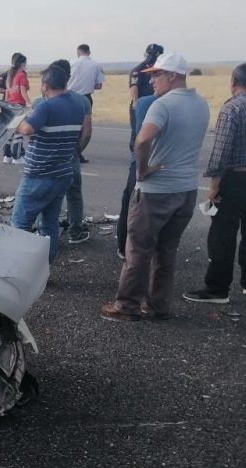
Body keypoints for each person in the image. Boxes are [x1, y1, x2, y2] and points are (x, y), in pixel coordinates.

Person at [100, 53, 210, 321]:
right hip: (186, 189)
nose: (151, 80)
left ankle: (126, 306)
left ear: (173, 75)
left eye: (157, 74)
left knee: (138, 248)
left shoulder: (162, 106)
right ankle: (158, 305)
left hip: (156, 191)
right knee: (167, 250)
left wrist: (142, 169)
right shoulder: (201, 103)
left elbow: (142, 140)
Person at [183, 63, 246, 304]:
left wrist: (214, 186)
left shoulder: (232, 109)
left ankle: (217, 288)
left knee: (222, 235)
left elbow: (220, 154)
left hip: (235, 179)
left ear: (233, 82)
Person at [9, 64, 85, 263]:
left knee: (19, 223)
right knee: (50, 223)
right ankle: (44, 267)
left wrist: (14, 122)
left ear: (45, 85)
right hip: (62, 173)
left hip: (39, 175)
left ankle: (19, 268)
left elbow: (26, 129)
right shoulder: (78, 104)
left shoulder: (46, 106)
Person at [34, 59, 94, 245]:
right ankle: (75, 231)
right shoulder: (82, 100)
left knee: (42, 195)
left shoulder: (40, 101)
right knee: (74, 194)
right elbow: (86, 132)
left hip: (45, 159)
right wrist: (74, 151)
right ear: (68, 77)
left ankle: (43, 233)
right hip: (70, 156)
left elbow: (31, 132)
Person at [116, 93, 158, 258]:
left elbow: (139, 138)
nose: (152, 80)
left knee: (131, 202)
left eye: (156, 76)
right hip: (156, 162)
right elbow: (142, 139)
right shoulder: (150, 102)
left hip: (141, 160)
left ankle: (124, 246)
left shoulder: (145, 102)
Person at [67, 44, 104, 163]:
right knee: (84, 128)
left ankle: (67, 152)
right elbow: (99, 85)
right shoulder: (96, 65)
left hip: (70, 96)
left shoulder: (72, 63)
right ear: (89, 52)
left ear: (78, 52)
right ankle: (77, 153)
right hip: (86, 97)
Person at [129, 44, 164, 147]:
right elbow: (134, 86)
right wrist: (135, 103)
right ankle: (135, 155)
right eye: (149, 53)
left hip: (158, 104)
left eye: (154, 54)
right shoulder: (138, 69)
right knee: (138, 131)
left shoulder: (162, 69)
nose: (151, 56)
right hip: (141, 103)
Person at [2, 53, 30, 164]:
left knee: (10, 132)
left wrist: (5, 104)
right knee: (19, 132)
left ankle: (7, 156)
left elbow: (8, 92)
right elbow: (23, 91)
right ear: (22, 63)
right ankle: (17, 157)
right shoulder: (22, 75)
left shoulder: (10, 75)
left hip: (10, 106)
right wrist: (29, 103)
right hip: (19, 106)